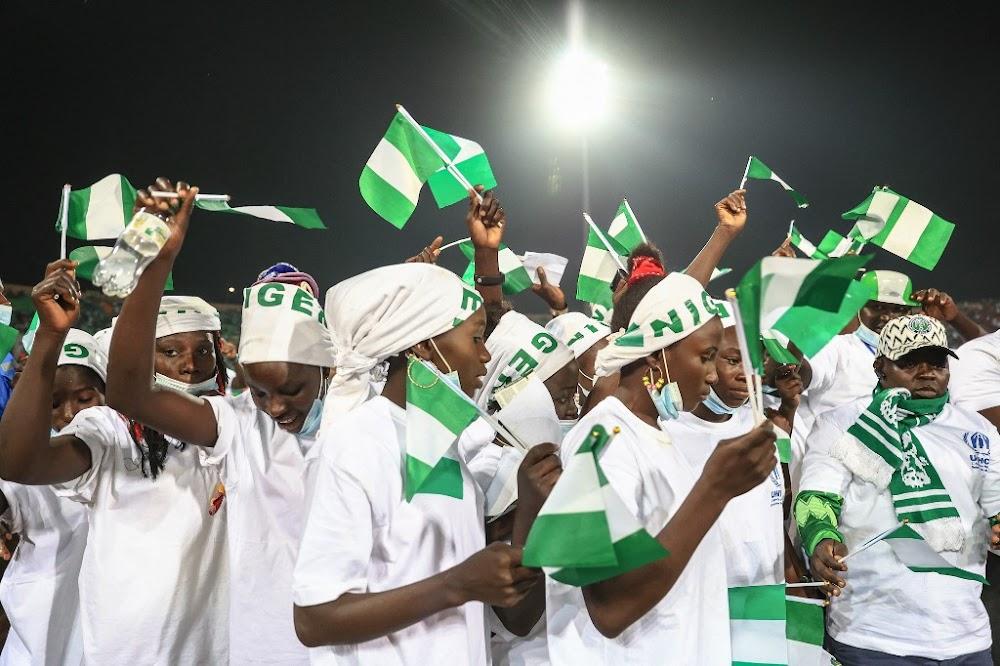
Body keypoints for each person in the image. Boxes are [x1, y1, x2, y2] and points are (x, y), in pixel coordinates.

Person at [107, 181, 339, 665]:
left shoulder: (363, 420)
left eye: (292, 389)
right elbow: (129, 392)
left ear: (327, 369)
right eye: (259, 391)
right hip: (267, 650)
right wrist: (156, 263)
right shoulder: (239, 424)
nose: (275, 408)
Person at [293, 262, 543, 665]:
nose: (485, 355)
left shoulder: (445, 444)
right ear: (423, 347)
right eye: (476, 338)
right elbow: (314, 619)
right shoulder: (357, 443)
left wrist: (532, 507)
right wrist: (456, 585)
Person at [0, 245, 230, 663]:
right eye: (171, 351)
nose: (191, 365)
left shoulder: (235, 426)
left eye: (203, 350)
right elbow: (20, 464)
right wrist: (50, 337)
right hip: (121, 652)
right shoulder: (111, 429)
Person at [545, 271, 777, 664]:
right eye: (705, 357)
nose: (712, 375)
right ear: (657, 354)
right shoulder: (604, 440)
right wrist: (714, 491)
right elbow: (610, 607)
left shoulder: (653, 434)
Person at [797, 314, 1000, 665]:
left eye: (937, 362)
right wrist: (820, 539)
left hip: (966, 636)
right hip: (873, 636)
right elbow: (816, 499)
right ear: (880, 367)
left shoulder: (977, 431)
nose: (926, 372)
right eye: (909, 362)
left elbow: (996, 509)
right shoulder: (842, 423)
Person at [0, 325, 103, 666]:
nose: (69, 414)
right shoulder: (28, 467)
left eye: (84, 399)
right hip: (38, 648)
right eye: (53, 403)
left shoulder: (135, 458)